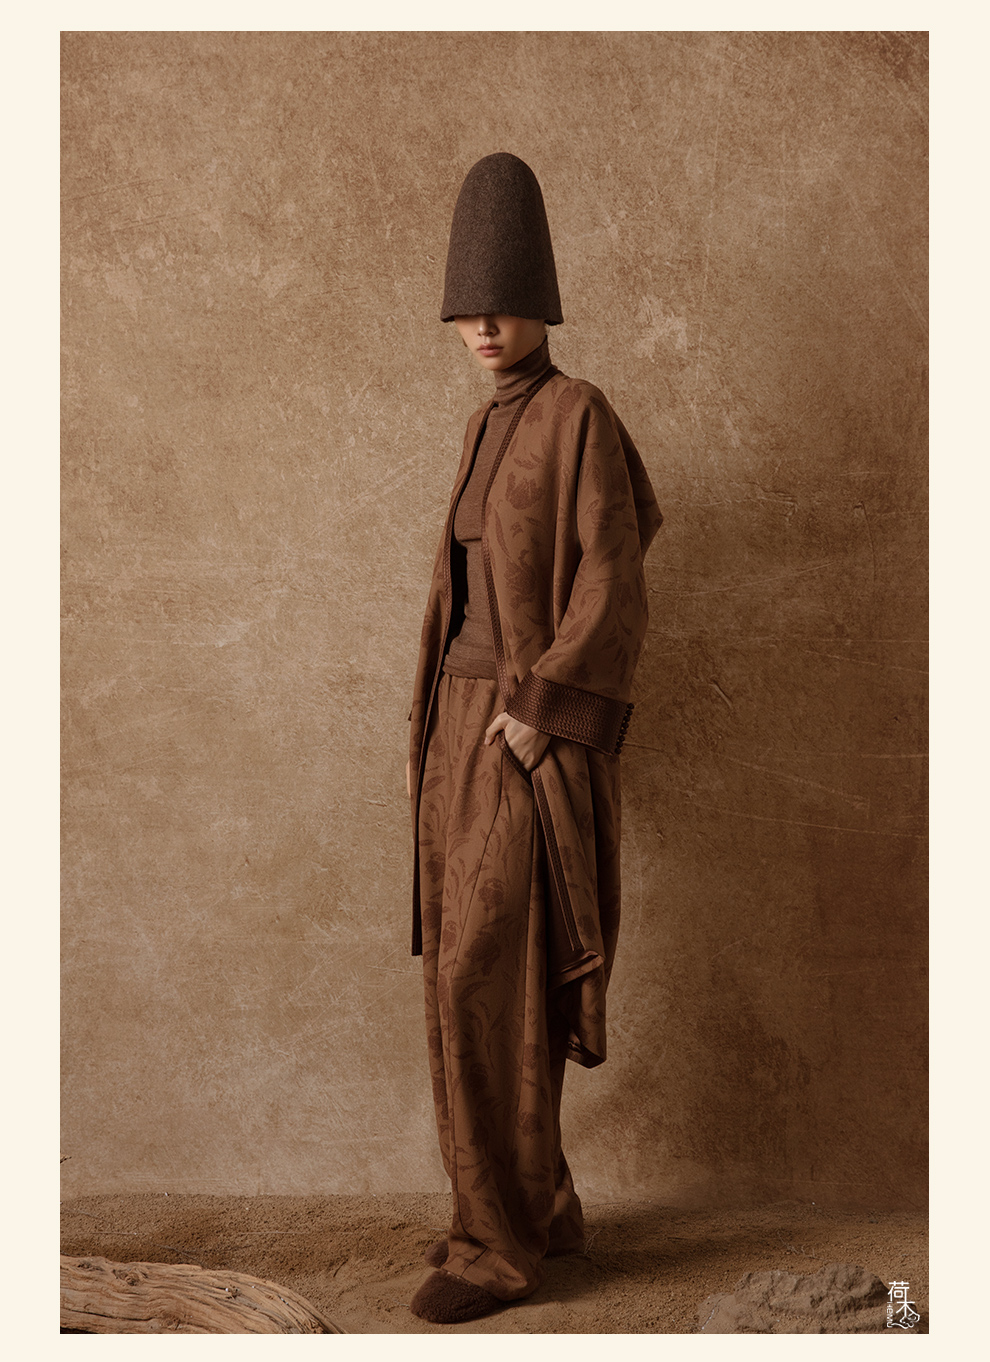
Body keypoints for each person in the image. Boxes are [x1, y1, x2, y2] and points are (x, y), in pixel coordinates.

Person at [405, 152, 662, 1325]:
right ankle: (533, 1206)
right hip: (451, 732)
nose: (484, 325)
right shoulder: (480, 425)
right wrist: (453, 731)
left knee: (490, 978)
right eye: (468, 306)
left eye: (503, 302)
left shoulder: (578, 414)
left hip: (519, 732)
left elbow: (613, 579)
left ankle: (494, 1251)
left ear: (542, 301)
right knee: (460, 973)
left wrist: (539, 713)